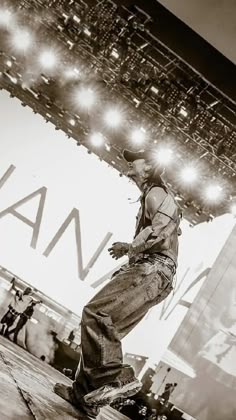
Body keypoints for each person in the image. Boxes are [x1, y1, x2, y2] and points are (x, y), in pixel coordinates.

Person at [54, 148, 182, 419]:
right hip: (153, 273)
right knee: (107, 329)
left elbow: (165, 226)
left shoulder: (156, 192)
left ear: (148, 167)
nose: (128, 163)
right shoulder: (150, 195)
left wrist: (130, 247)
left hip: (153, 270)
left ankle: (119, 377)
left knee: (95, 314)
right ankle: (84, 396)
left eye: (134, 159)